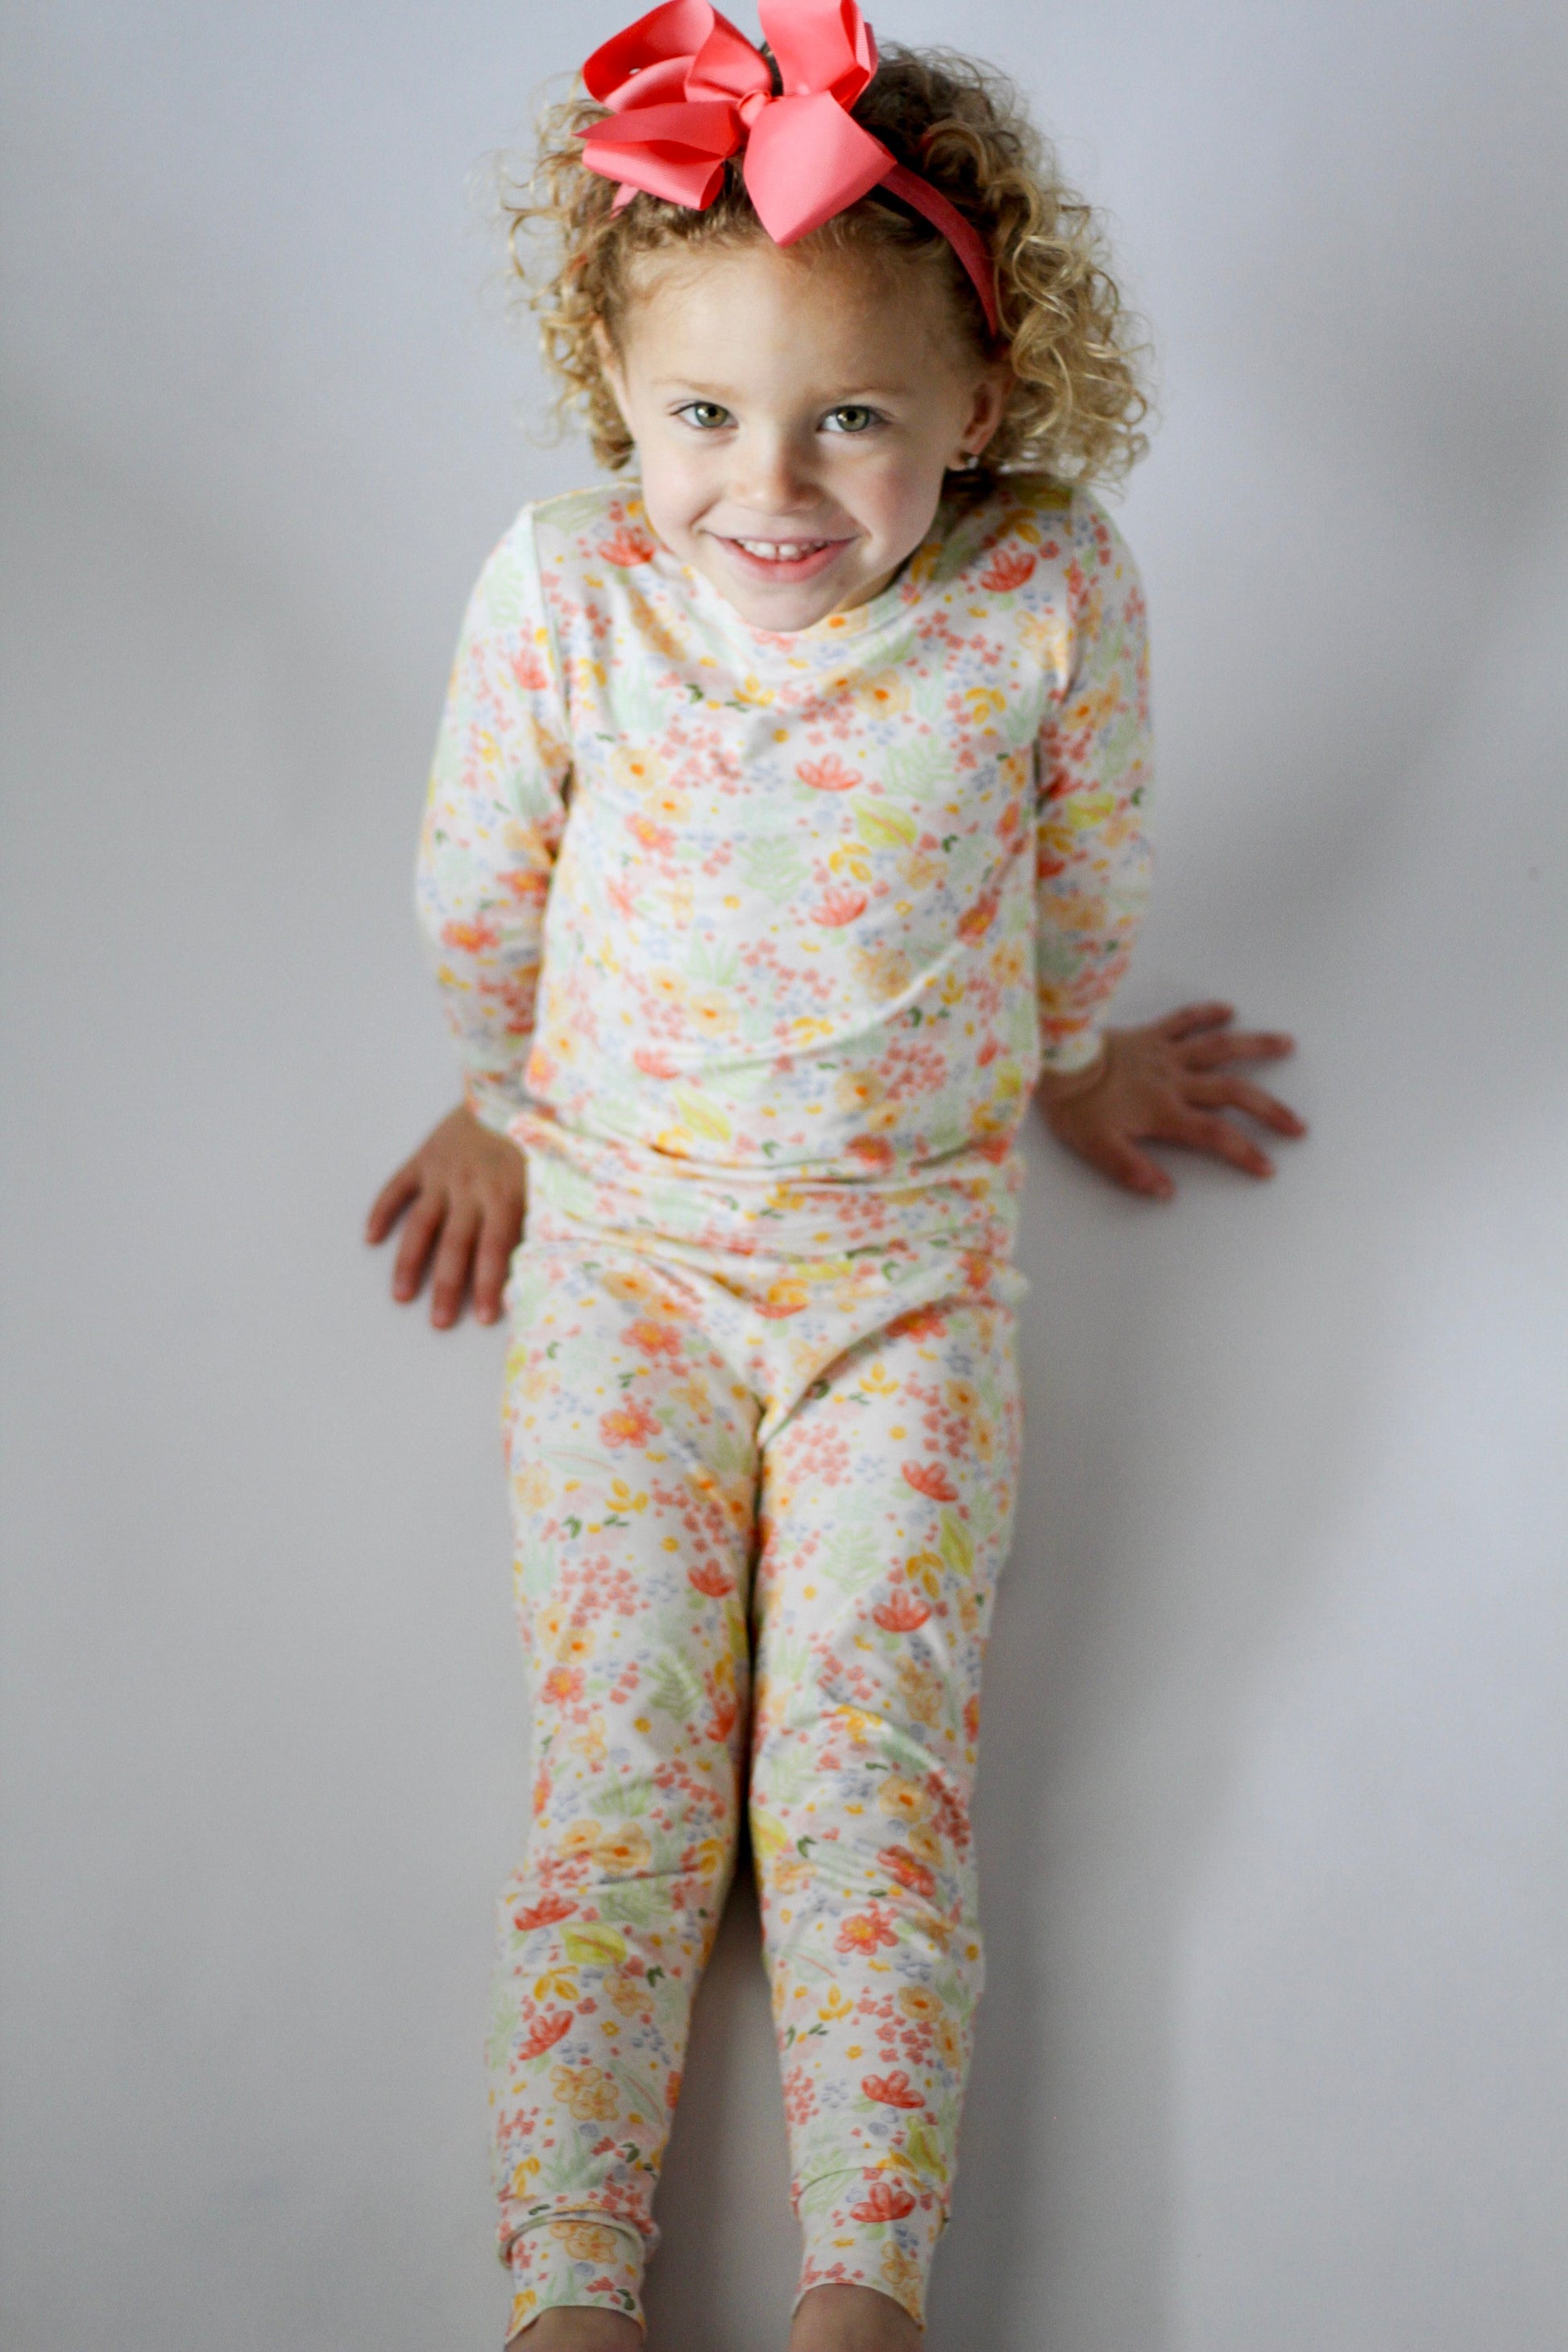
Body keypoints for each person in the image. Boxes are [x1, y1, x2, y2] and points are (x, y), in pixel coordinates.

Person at [366, 5, 1305, 2343]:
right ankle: (572, 2286)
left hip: (905, 1288)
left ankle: (864, 2290)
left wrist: (1075, 1066)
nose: (767, 487)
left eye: (851, 420)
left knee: (860, 1805)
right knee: (626, 1806)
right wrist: (498, 1094)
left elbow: (1085, 867)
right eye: (701, 414)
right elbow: (482, 882)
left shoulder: (1040, 591)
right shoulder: (569, 588)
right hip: (623, 1273)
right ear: (614, 382)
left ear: (978, 410)